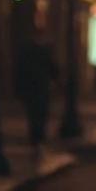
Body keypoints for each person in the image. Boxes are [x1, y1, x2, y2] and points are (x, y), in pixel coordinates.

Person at [14, 32, 58, 163]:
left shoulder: (26, 54)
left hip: (32, 89)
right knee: (40, 114)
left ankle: (35, 139)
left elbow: (20, 71)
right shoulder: (45, 52)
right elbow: (54, 70)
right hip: (41, 88)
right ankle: (39, 140)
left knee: (33, 114)